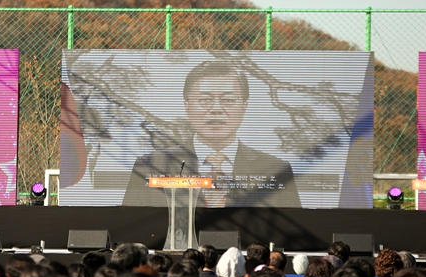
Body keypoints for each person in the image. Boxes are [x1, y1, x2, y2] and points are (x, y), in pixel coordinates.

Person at [122, 60, 301, 208]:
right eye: (205, 100)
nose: (216, 109)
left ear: (244, 107)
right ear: (187, 106)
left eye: (228, 100)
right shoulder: (150, 165)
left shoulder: (277, 169)